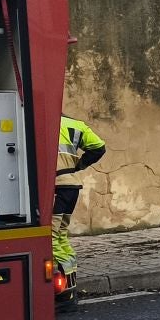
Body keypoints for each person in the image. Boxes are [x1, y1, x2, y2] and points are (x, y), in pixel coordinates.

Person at [53, 115, 107, 277]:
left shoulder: (43, 122)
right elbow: (99, 147)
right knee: (62, 233)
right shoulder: (76, 125)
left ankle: (61, 275)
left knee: (51, 235)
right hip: (72, 187)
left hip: (56, 186)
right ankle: (70, 272)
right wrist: (78, 166)